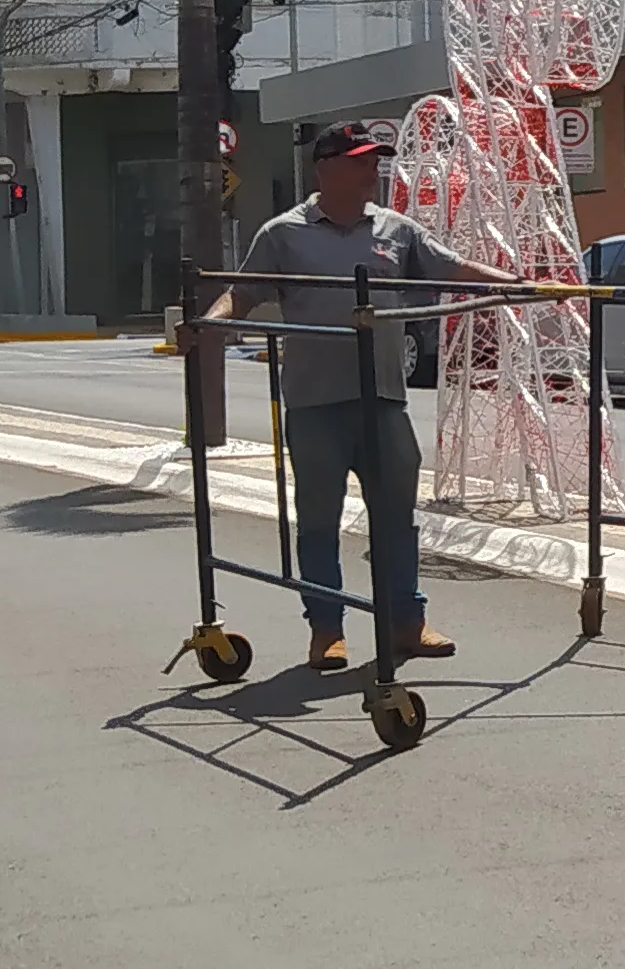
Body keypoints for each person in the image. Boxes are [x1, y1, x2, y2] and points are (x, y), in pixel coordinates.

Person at [190, 122, 522, 673]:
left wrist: (514, 284)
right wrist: (208, 324)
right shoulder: (283, 234)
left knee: (396, 518)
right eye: (361, 160)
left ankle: (406, 623)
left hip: (383, 400)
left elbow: (449, 267)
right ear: (326, 168)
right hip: (315, 403)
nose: (373, 170)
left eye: (375, 160)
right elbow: (243, 292)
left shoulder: (396, 229)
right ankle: (327, 629)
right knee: (319, 521)